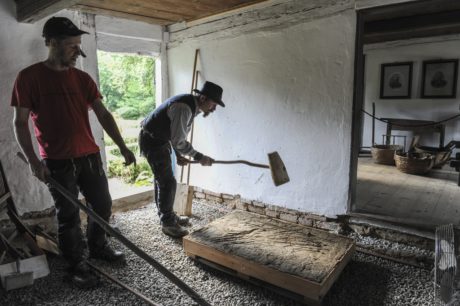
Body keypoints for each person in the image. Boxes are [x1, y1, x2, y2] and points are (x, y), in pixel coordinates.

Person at [11, 17, 136, 289]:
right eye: (71, 45)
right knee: (68, 215)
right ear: (51, 42)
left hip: (89, 156)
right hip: (57, 162)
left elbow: (103, 114)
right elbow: (20, 123)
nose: (77, 51)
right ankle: (76, 265)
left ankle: (98, 246)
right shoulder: (29, 77)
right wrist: (34, 162)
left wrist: (123, 146)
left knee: (101, 205)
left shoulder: (82, 78)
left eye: (79, 45)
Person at [139, 81, 225, 238]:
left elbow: (174, 133)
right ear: (204, 98)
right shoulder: (184, 108)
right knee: (167, 181)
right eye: (214, 103)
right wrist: (199, 157)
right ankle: (168, 223)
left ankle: (168, 215)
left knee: (163, 179)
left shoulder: (191, 106)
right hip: (152, 141)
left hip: (159, 139)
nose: (214, 108)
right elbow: (178, 140)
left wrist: (178, 155)